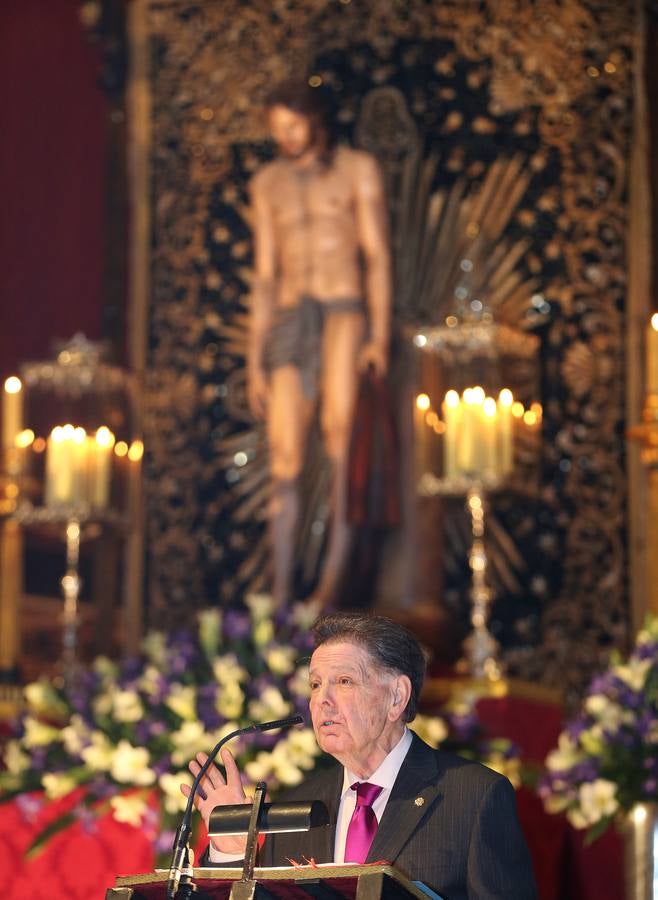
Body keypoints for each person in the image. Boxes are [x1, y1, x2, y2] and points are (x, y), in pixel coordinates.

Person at [182, 613, 538, 899]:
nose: (322, 699)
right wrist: (231, 851)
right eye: (316, 684)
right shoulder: (295, 808)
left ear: (396, 697)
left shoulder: (473, 798)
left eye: (345, 682)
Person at [246, 79, 392, 608]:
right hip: (289, 316)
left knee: (338, 441)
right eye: (276, 129)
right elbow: (264, 275)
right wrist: (253, 359)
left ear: (313, 120)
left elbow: (375, 256)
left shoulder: (357, 170)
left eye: (292, 126)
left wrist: (379, 335)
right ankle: (280, 593)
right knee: (284, 455)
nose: (285, 137)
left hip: (342, 311)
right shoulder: (268, 183)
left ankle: (330, 586)